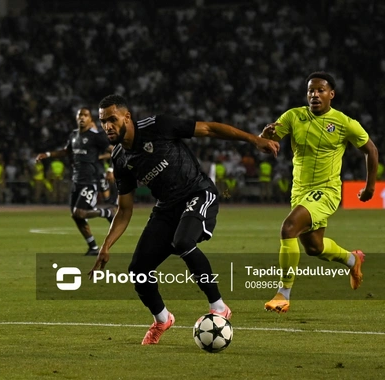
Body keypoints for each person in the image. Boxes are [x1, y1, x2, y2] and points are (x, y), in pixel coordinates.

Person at [89, 94, 279, 345]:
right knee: (138, 270)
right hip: (167, 209)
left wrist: (254, 139)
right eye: (103, 121)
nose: (107, 126)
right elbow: (124, 209)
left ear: (127, 117)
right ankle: (162, 319)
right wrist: (106, 245)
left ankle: (219, 307)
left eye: (112, 119)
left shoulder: (158, 126)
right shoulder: (120, 159)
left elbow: (209, 128)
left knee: (182, 241)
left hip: (198, 192)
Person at [261, 72, 378, 313]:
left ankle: (283, 293)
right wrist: (266, 136)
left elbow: (371, 150)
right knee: (314, 247)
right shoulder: (293, 116)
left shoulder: (345, 123)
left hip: (326, 191)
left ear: (331, 95)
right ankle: (352, 259)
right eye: (311, 91)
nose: (315, 94)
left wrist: (370, 187)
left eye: (320, 90)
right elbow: (268, 144)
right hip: (299, 191)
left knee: (288, 228)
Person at [35, 107, 117, 256]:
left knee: (79, 212)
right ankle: (93, 247)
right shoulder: (73, 135)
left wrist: (111, 170)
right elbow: (66, 151)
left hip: (90, 181)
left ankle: (106, 212)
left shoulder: (96, 136)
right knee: (76, 216)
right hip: (76, 181)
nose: (82, 118)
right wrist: (47, 154)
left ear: (90, 119)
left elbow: (114, 151)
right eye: (79, 115)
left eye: (85, 115)